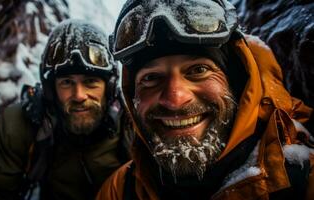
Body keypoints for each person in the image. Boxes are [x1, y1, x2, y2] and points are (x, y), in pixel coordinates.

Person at [96, 0, 314, 199]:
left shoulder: (305, 176)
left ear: (237, 81)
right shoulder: (118, 190)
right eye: (151, 78)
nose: (175, 99)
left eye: (198, 69)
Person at [0, 19, 132, 200]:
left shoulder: (134, 125)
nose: (79, 95)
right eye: (66, 82)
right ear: (51, 90)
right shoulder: (24, 122)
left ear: (109, 87)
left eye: (90, 82)